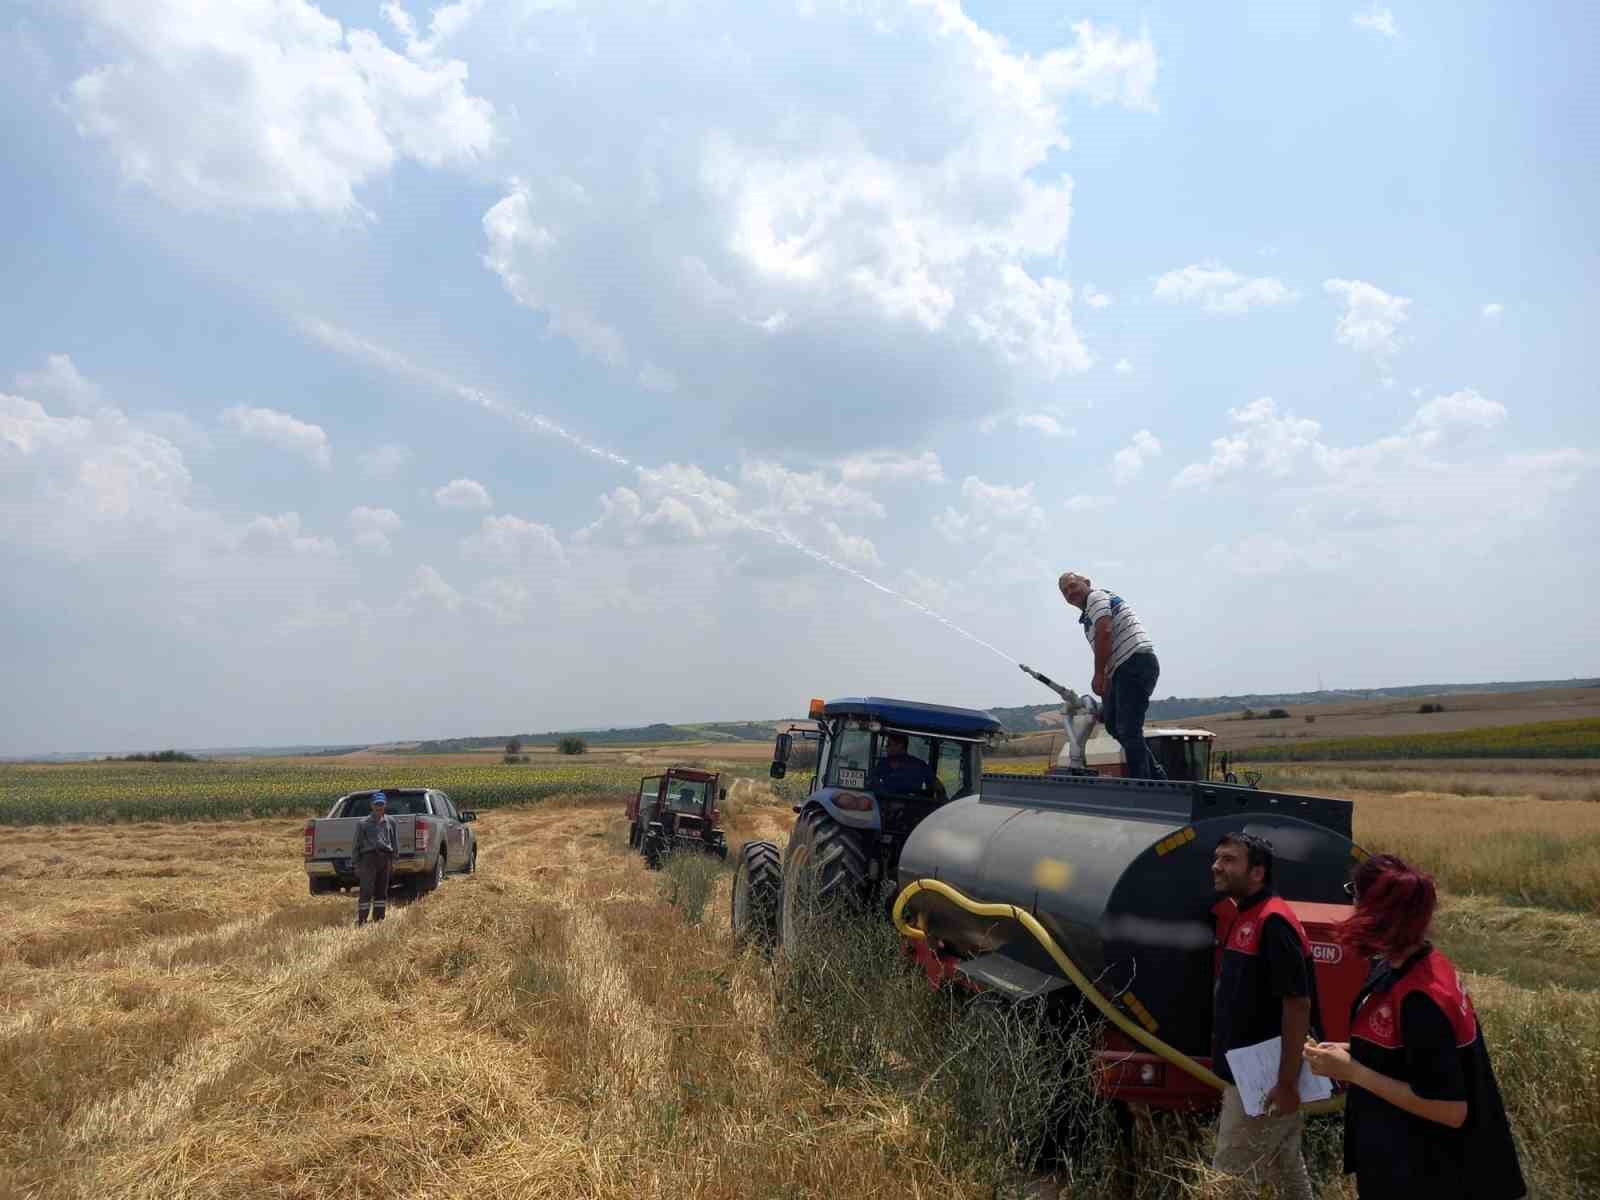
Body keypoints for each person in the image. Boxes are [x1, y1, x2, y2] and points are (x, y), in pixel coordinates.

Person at [1304, 855, 1525, 1199]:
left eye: (1354, 893)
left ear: (1374, 911)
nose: (1350, 902)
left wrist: (1354, 1071)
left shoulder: (1422, 997)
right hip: (1398, 1162)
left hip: (1434, 1174)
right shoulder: (1401, 966)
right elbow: (1407, 1054)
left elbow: (1450, 1109)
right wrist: (1349, 1053)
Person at [1210, 832, 1319, 1200]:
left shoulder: (1273, 922)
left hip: (1263, 1079)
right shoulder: (1247, 914)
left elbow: (1297, 1003)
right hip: (1249, 1072)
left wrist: (1286, 1083)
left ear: (1257, 872)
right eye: (1217, 858)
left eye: (1229, 860)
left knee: (1230, 1179)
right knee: (1285, 1164)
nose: (1217, 866)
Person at [1057, 572, 1165, 779]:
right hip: (1119, 671)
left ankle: (1145, 784)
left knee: (1128, 728)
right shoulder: (1088, 616)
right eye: (1065, 591)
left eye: (1072, 586)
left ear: (1087, 583)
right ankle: (1156, 777)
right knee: (1113, 724)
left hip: (1134, 663)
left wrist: (1099, 673)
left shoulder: (1096, 598)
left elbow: (1105, 631)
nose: (1069, 592)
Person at [353, 791, 398, 926]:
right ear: (371, 805)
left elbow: (394, 841)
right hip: (368, 858)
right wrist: (356, 863)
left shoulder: (391, 821)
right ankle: (362, 920)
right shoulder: (363, 823)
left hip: (385, 858)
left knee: (381, 890)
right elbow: (357, 844)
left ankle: (379, 918)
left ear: (385, 805)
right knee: (366, 890)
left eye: (381, 804)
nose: (379, 807)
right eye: (376, 804)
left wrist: (394, 859)